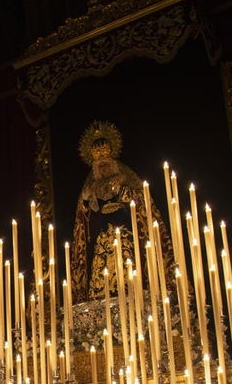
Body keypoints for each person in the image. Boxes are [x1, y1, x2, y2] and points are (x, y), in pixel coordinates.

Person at [71, 121, 174, 300]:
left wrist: (122, 192)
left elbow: (142, 204)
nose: (103, 166)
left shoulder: (125, 178)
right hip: (102, 237)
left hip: (127, 234)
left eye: (105, 160)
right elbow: (83, 226)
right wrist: (86, 202)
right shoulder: (90, 186)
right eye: (99, 162)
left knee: (129, 268)